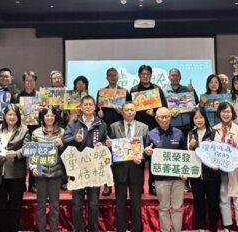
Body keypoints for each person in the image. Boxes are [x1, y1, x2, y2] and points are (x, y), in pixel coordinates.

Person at [63, 95, 109, 232]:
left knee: (94, 204)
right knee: (77, 204)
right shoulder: (74, 123)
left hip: (95, 169)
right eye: (86, 104)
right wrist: (74, 139)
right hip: (77, 169)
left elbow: (105, 141)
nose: (88, 107)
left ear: (94, 107)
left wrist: (105, 144)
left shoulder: (101, 124)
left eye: (90, 104)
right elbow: (65, 139)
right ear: (81, 107)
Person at [16, 106, 65, 232]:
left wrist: (61, 145)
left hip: (56, 172)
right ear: (43, 117)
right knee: (41, 205)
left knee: (55, 205)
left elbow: (65, 154)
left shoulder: (62, 132)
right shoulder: (36, 133)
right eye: (47, 116)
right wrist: (33, 167)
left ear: (55, 117)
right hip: (41, 172)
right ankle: (41, 229)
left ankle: (54, 230)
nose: (49, 118)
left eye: (52, 115)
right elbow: (32, 153)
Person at [106, 101, 149, 232]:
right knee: (120, 203)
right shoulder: (113, 127)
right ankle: (121, 229)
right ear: (122, 112)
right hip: (120, 169)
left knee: (136, 203)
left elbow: (147, 149)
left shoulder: (144, 127)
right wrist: (109, 145)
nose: (129, 112)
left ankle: (136, 229)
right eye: (127, 110)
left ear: (135, 112)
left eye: (132, 110)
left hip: (137, 169)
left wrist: (142, 158)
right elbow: (110, 147)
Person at [144, 107, 187, 232]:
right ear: (156, 118)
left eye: (167, 116)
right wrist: (146, 152)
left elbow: (185, 155)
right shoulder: (151, 134)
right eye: (161, 117)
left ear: (171, 117)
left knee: (177, 207)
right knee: (163, 208)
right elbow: (146, 155)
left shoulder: (179, 133)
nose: (164, 120)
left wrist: (186, 172)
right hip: (161, 178)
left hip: (178, 177)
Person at [0, 104, 30, 232]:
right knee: (0, 206)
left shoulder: (24, 130)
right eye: (9, 114)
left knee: (15, 207)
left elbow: (27, 148)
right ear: (4, 116)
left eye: (14, 115)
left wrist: (17, 153)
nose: (12, 117)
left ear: (18, 117)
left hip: (16, 174)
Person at [130, 65, 167, 195]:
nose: (145, 76)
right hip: (138, 129)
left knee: (153, 158)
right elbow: (129, 109)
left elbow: (164, 108)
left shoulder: (157, 89)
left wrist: (154, 113)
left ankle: (152, 185)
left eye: (147, 74)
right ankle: (138, 185)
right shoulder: (134, 90)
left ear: (151, 76)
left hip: (154, 129)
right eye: (143, 74)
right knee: (138, 157)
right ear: (139, 75)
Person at [212, 102, 238, 232]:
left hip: (235, 170)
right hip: (220, 170)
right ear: (219, 113)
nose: (226, 114)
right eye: (223, 111)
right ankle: (227, 227)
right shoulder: (214, 129)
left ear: (232, 114)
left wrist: (236, 145)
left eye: (228, 112)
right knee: (224, 198)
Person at [187, 107, 220, 232]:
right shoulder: (190, 134)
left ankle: (213, 228)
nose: (199, 120)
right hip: (196, 175)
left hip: (212, 174)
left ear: (205, 118)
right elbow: (188, 155)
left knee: (213, 203)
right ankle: (201, 228)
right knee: (199, 202)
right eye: (196, 118)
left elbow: (218, 152)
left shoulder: (213, 133)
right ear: (193, 120)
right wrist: (190, 147)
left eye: (201, 117)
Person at [16, 71, 40, 193]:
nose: (29, 83)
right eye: (27, 80)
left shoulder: (40, 96)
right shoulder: (17, 96)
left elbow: (48, 114)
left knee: (36, 155)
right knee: (21, 155)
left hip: (37, 129)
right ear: (24, 82)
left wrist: (43, 109)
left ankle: (33, 184)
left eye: (32, 80)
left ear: (35, 82)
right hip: (21, 130)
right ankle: (20, 183)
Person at [164, 68, 198, 138]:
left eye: (177, 75)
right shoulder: (164, 91)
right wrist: (169, 113)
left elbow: (196, 102)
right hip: (172, 126)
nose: (175, 77)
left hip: (188, 126)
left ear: (180, 77)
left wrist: (192, 91)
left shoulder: (187, 89)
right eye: (173, 75)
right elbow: (163, 108)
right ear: (169, 77)